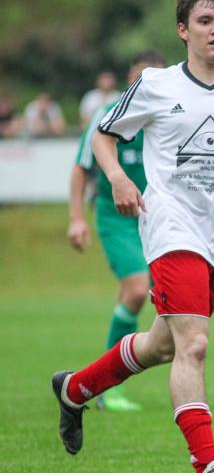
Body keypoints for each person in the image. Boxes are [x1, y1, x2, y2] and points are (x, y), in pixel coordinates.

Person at [51, 0, 214, 473]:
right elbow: (102, 134)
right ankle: (205, 464)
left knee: (164, 345)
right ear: (184, 31)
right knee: (196, 345)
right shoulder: (157, 85)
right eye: (206, 22)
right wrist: (118, 177)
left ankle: (75, 389)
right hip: (171, 227)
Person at [68, 50, 166, 412]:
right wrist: (77, 218)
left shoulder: (168, 117)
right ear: (129, 81)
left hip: (157, 218)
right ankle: (108, 388)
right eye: (141, 78)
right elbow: (80, 168)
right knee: (137, 289)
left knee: (168, 305)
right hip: (116, 217)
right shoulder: (106, 116)